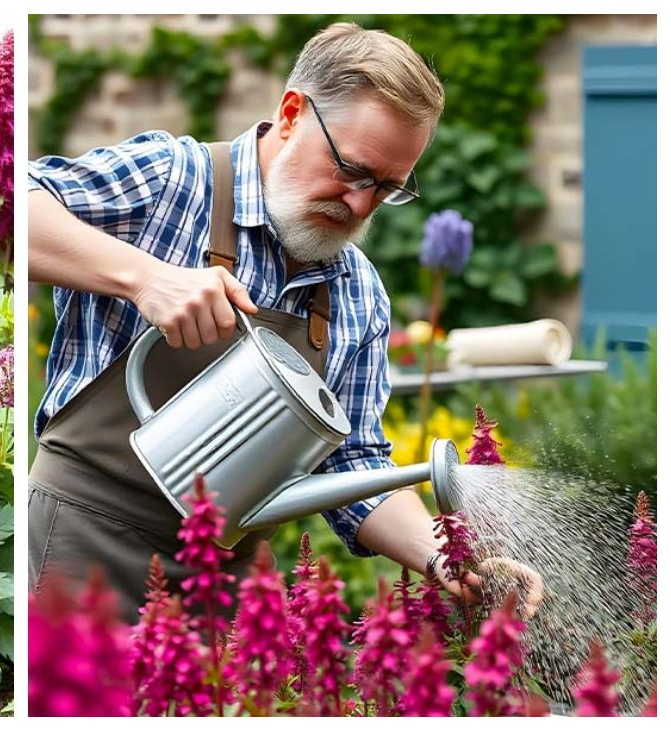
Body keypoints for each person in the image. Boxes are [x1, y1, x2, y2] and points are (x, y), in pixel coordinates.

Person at [27, 22, 543, 621]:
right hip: (79, 553)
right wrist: (144, 278)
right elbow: (16, 205)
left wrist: (450, 557)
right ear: (293, 113)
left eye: (387, 189)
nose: (359, 205)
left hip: (223, 594)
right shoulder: (174, 180)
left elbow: (351, 463)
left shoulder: (357, 292)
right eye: (352, 171)